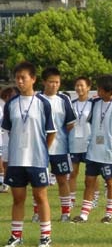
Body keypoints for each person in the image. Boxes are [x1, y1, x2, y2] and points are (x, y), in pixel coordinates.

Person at [2, 61, 56, 247]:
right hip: (17, 159)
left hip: (37, 159)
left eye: (23, 78)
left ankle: (45, 236)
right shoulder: (11, 104)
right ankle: (16, 235)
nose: (19, 81)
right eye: (17, 78)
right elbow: (7, 132)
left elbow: (51, 132)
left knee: (41, 197)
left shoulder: (43, 104)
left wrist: (41, 149)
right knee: (18, 198)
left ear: (33, 79)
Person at [71, 74, 112, 224]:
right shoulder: (94, 103)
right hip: (93, 150)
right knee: (89, 181)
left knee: (110, 182)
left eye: (100, 89)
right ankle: (84, 214)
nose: (97, 91)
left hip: (108, 152)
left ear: (108, 91)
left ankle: (109, 214)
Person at [32, 67, 76, 223]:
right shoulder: (36, 99)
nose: (54, 85)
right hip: (39, 149)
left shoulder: (64, 99)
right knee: (38, 182)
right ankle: (37, 212)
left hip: (60, 148)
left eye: (57, 82)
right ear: (43, 82)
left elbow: (71, 123)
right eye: (51, 82)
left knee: (62, 180)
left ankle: (65, 212)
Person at [68, 77, 99, 209]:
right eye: (77, 85)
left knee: (91, 175)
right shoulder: (71, 104)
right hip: (74, 143)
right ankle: (72, 199)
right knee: (73, 173)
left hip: (89, 143)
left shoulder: (94, 103)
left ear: (88, 88)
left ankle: (94, 198)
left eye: (82, 85)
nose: (79, 88)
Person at [0, 87, 16, 193]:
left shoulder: (9, 106)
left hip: (7, 138)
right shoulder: (3, 106)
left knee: (6, 162)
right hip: (4, 137)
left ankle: (5, 183)